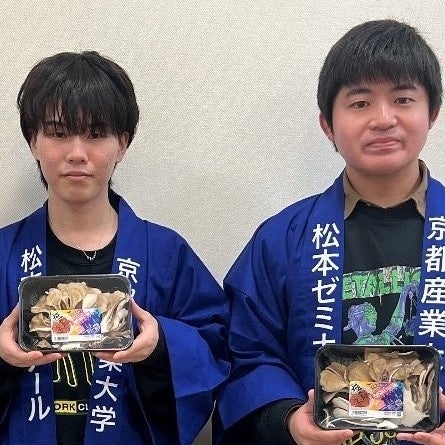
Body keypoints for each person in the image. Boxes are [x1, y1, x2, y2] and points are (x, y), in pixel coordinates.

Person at [216, 19, 445, 445]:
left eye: (403, 99)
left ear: (431, 113)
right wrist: (288, 420)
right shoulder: (282, 239)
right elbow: (248, 354)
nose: (383, 119)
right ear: (328, 125)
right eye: (360, 103)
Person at [0, 51, 230, 445]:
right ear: (33, 141)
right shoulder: (4, 253)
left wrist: (161, 345)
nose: (77, 153)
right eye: (58, 132)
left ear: (122, 144)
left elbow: (216, 347)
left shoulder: (166, 253)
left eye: (95, 134)